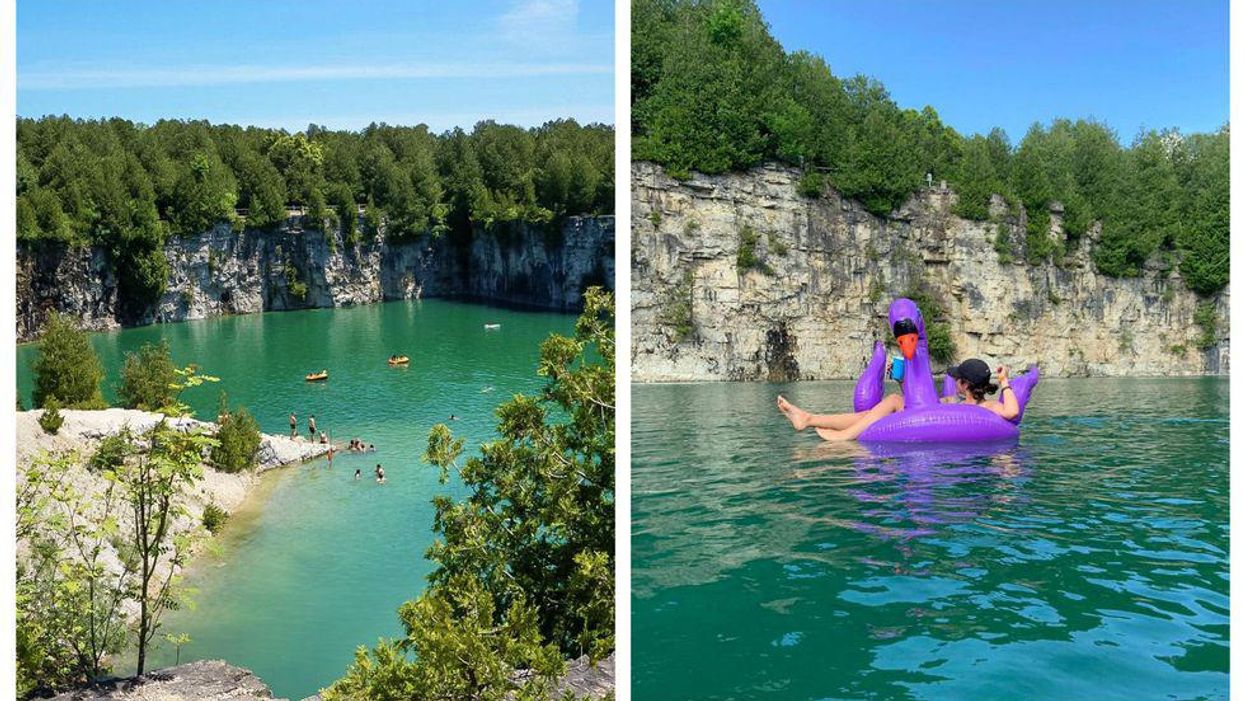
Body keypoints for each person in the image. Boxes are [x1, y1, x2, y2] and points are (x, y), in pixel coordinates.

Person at [776, 358, 1018, 442]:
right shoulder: (951, 401)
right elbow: (920, 406)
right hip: (922, 425)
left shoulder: (988, 407)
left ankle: (843, 436)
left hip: (931, 446)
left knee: (889, 401)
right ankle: (807, 419)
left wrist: (1004, 380)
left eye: (958, 379)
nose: (955, 382)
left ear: (965, 384)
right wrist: (903, 380)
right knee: (869, 415)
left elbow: (1011, 413)